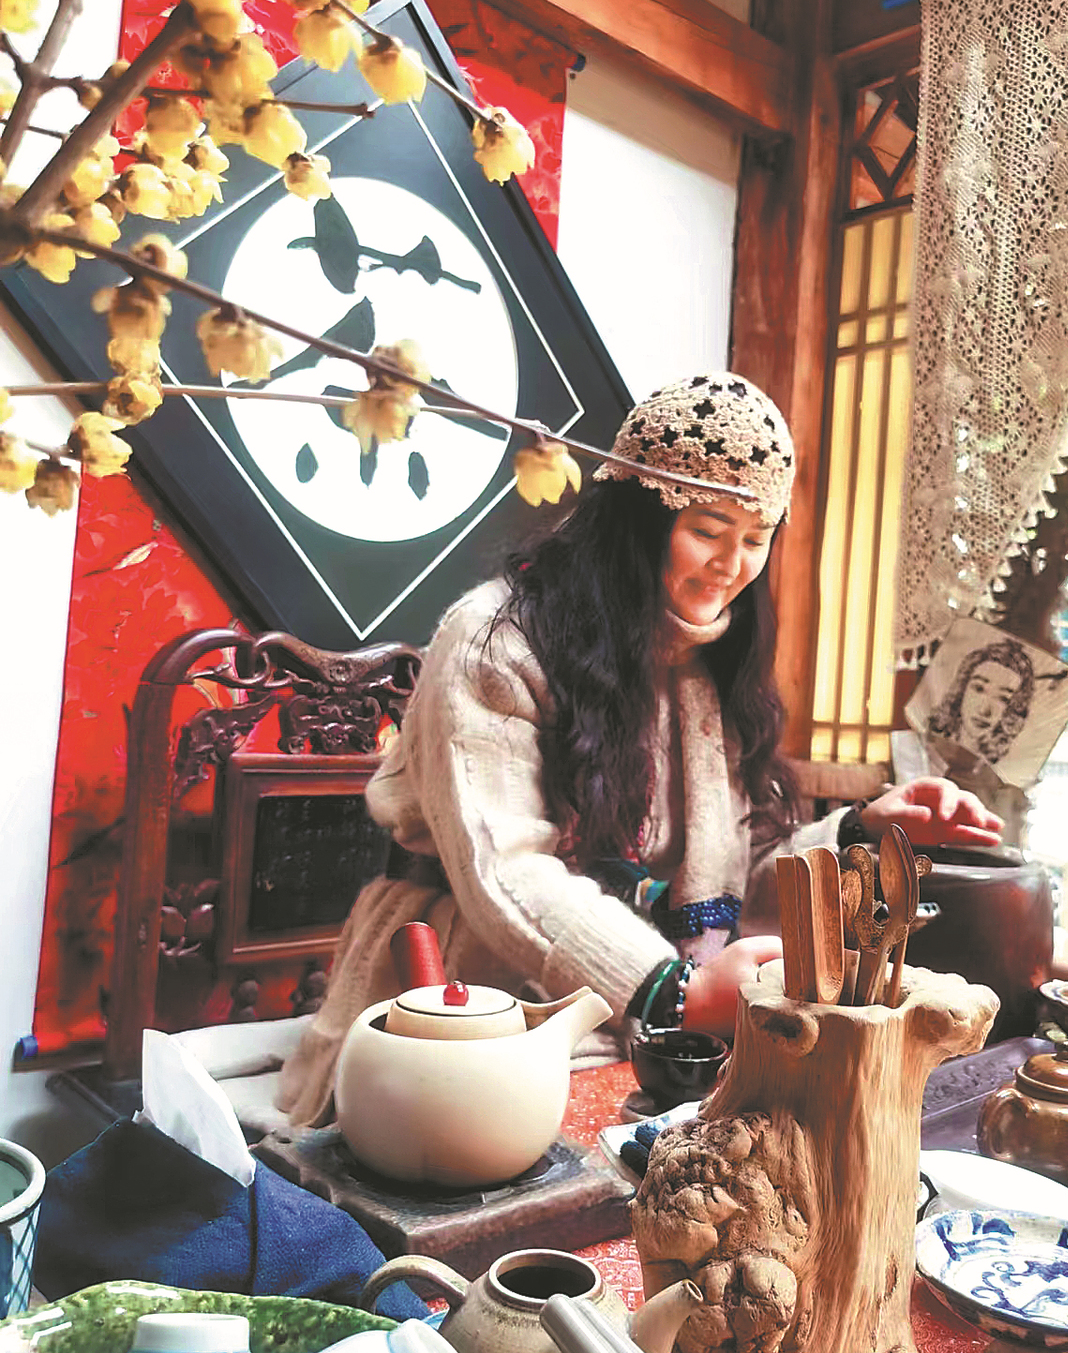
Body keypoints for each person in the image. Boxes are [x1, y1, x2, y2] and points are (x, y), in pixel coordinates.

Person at [277, 373, 1002, 1126]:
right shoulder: (494, 639)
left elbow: (734, 878)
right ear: (638, 518)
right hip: (463, 986)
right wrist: (671, 992)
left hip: (652, 1013)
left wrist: (862, 830)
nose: (732, 565)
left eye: (756, 539)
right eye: (709, 530)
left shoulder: (708, 669)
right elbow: (505, 870)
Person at [927, 638, 1036, 766]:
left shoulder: (1000, 767)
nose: (985, 710)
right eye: (979, 688)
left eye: (1003, 699)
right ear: (962, 688)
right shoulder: (928, 739)